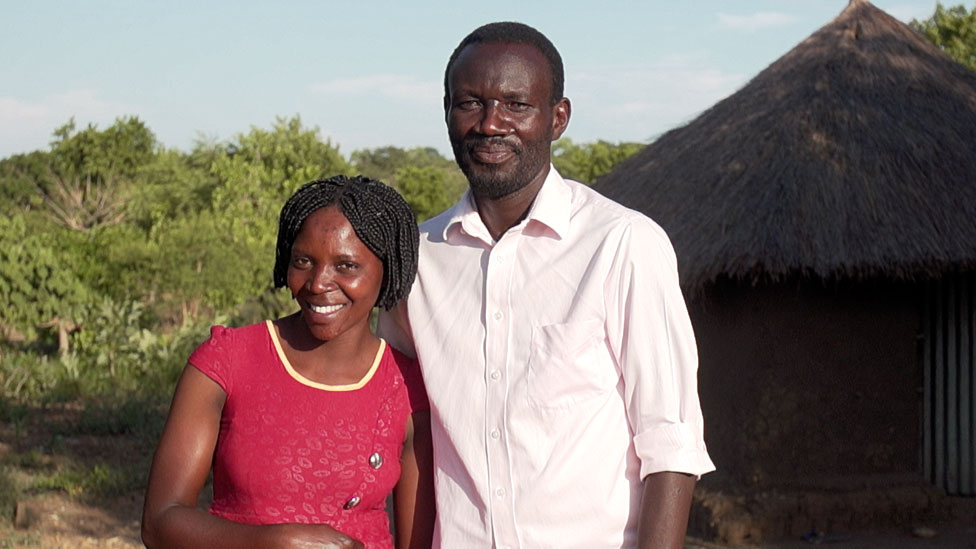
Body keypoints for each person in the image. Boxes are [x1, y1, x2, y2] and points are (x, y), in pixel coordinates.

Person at [377, 22, 715, 548]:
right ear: (446, 113)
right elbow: (399, 424)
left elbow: (670, 443)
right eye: (470, 103)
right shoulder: (417, 262)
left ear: (558, 118)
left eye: (516, 105)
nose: (492, 124)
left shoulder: (622, 245)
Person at [142, 175, 434, 549]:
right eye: (304, 261)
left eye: (346, 266)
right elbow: (160, 522)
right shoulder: (225, 362)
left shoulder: (407, 388)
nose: (317, 283)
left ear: (388, 270)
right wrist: (273, 542)